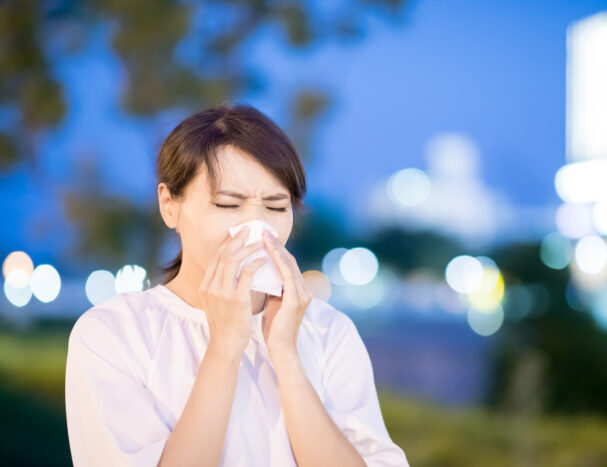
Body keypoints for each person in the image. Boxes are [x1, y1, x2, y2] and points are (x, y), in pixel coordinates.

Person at [64, 103, 410, 467]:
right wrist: (225, 347)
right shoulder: (114, 334)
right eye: (228, 205)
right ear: (169, 206)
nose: (256, 228)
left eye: (276, 207)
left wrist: (287, 357)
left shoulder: (328, 332)